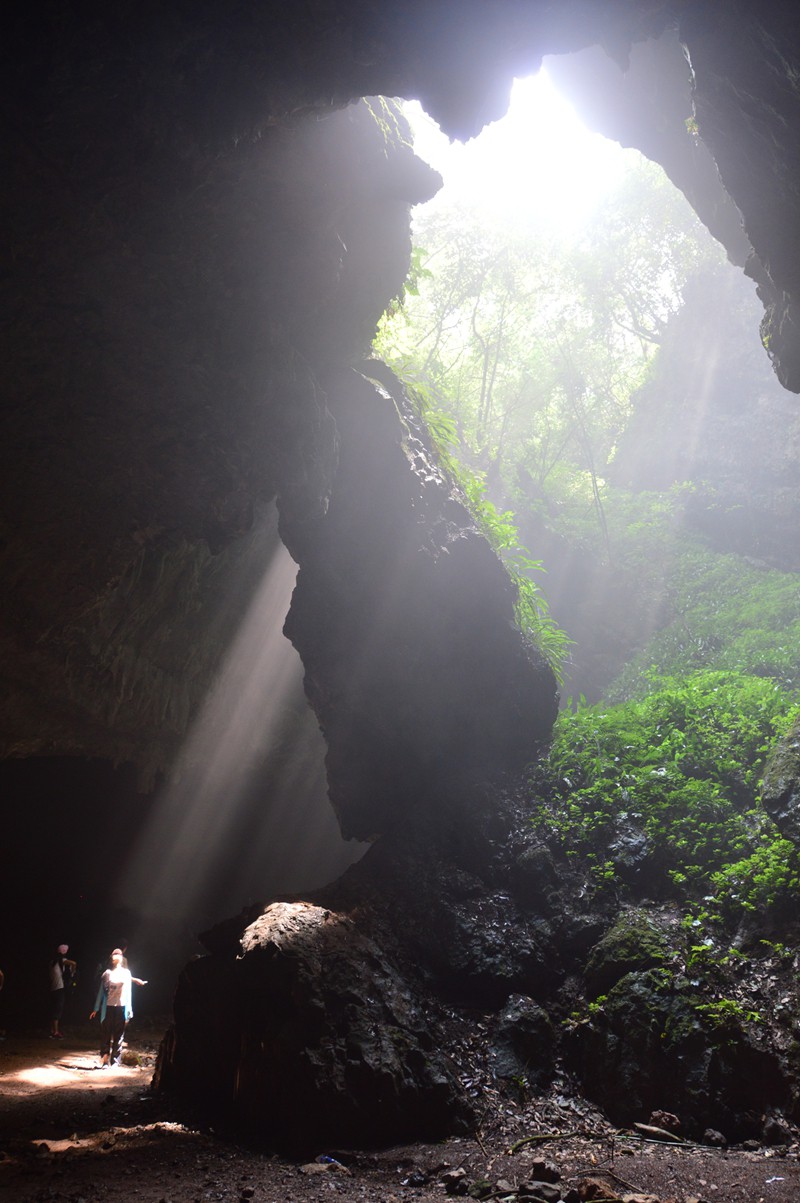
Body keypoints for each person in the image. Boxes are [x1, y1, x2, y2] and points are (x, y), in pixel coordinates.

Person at [90, 948, 147, 1067]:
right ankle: (105, 1060)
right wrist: (96, 1008)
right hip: (108, 1008)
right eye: (114, 954)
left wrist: (130, 1010)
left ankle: (115, 1061)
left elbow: (129, 993)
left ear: (122, 958)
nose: (116, 956)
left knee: (118, 1035)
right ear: (111, 958)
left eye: (118, 954)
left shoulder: (126, 973)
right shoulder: (107, 973)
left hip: (121, 1007)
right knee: (106, 1034)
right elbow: (101, 992)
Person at [49, 944, 77, 1038]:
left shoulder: (52, 961)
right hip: (59, 987)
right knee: (58, 1009)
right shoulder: (62, 960)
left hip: (53, 987)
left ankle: (53, 1030)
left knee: (53, 1009)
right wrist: (73, 974)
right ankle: (56, 1032)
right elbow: (74, 963)